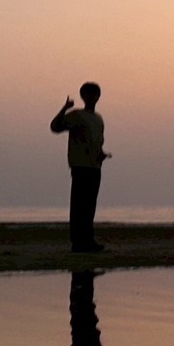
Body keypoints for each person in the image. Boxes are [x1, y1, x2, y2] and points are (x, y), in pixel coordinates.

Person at [50, 81, 110, 252]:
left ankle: (88, 240)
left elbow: (96, 142)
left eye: (94, 94)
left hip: (95, 166)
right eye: (88, 94)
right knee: (79, 205)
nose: (91, 98)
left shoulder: (98, 119)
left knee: (90, 205)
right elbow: (55, 127)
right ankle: (78, 242)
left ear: (98, 96)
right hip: (80, 165)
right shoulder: (77, 115)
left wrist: (101, 154)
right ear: (83, 96)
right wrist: (64, 108)